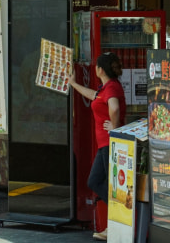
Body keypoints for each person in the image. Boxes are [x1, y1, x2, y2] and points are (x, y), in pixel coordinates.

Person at [68, 52, 126, 241]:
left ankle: (119, 221)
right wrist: (74, 84)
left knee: (101, 183)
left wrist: (115, 128)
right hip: (105, 145)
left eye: (96, 66)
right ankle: (116, 223)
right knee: (97, 182)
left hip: (110, 144)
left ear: (100, 69)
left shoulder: (111, 88)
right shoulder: (106, 87)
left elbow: (115, 107)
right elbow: (94, 96)